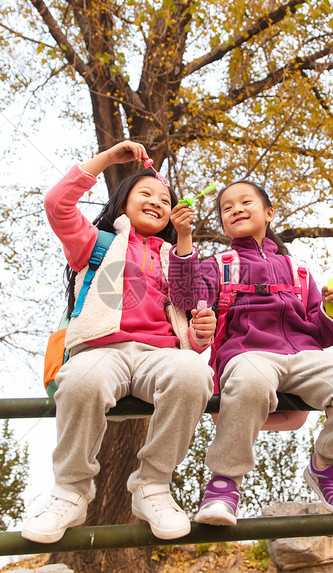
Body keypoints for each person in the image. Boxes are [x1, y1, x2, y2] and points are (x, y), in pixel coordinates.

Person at [21, 141, 216, 543]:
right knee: (80, 381)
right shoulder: (95, 243)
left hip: (158, 356)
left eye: (164, 199)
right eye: (145, 193)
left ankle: (153, 484)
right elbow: (58, 204)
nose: (156, 201)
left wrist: (199, 331)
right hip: (100, 350)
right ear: (121, 203)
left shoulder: (174, 254)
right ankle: (70, 492)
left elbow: (186, 304)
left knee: (194, 373)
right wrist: (110, 158)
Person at [167, 180, 333, 525]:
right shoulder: (218, 264)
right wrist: (184, 238)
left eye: (245, 202)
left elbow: (322, 334)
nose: (236, 209)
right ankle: (224, 483)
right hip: (247, 353)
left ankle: (327, 466)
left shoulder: (297, 270)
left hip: (303, 355)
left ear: (268, 213)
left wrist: (332, 310)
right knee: (251, 379)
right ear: (223, 224)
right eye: (227, 207)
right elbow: (185, 297)